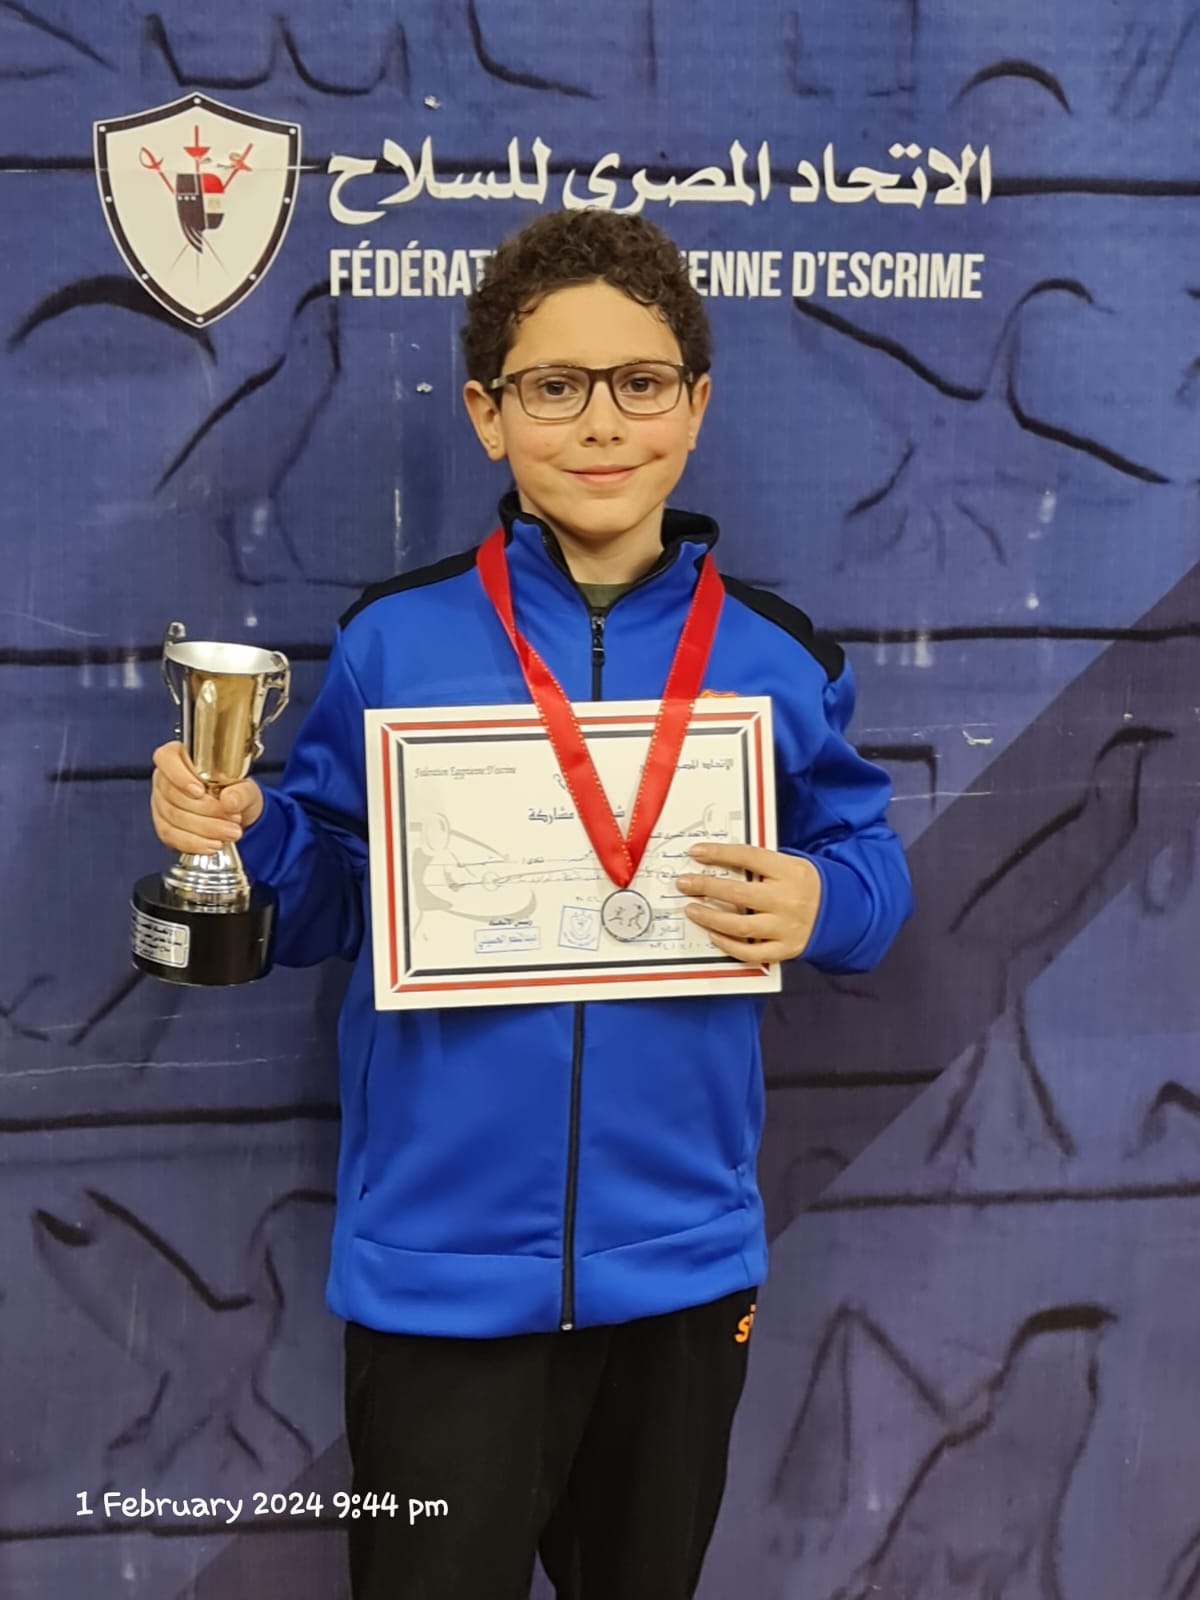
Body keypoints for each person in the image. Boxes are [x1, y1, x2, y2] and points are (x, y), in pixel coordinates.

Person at [149, 208, 914, 1600]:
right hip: (440, 1279)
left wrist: (821, 899)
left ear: (695, 406)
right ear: (488, 415)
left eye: (641, 382)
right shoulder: (396, 641)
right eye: (555, 386)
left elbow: (870, 867)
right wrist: (244, 834)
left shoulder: (777, 657)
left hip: (681, 1274)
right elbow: (324, 894)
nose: (602, 421)